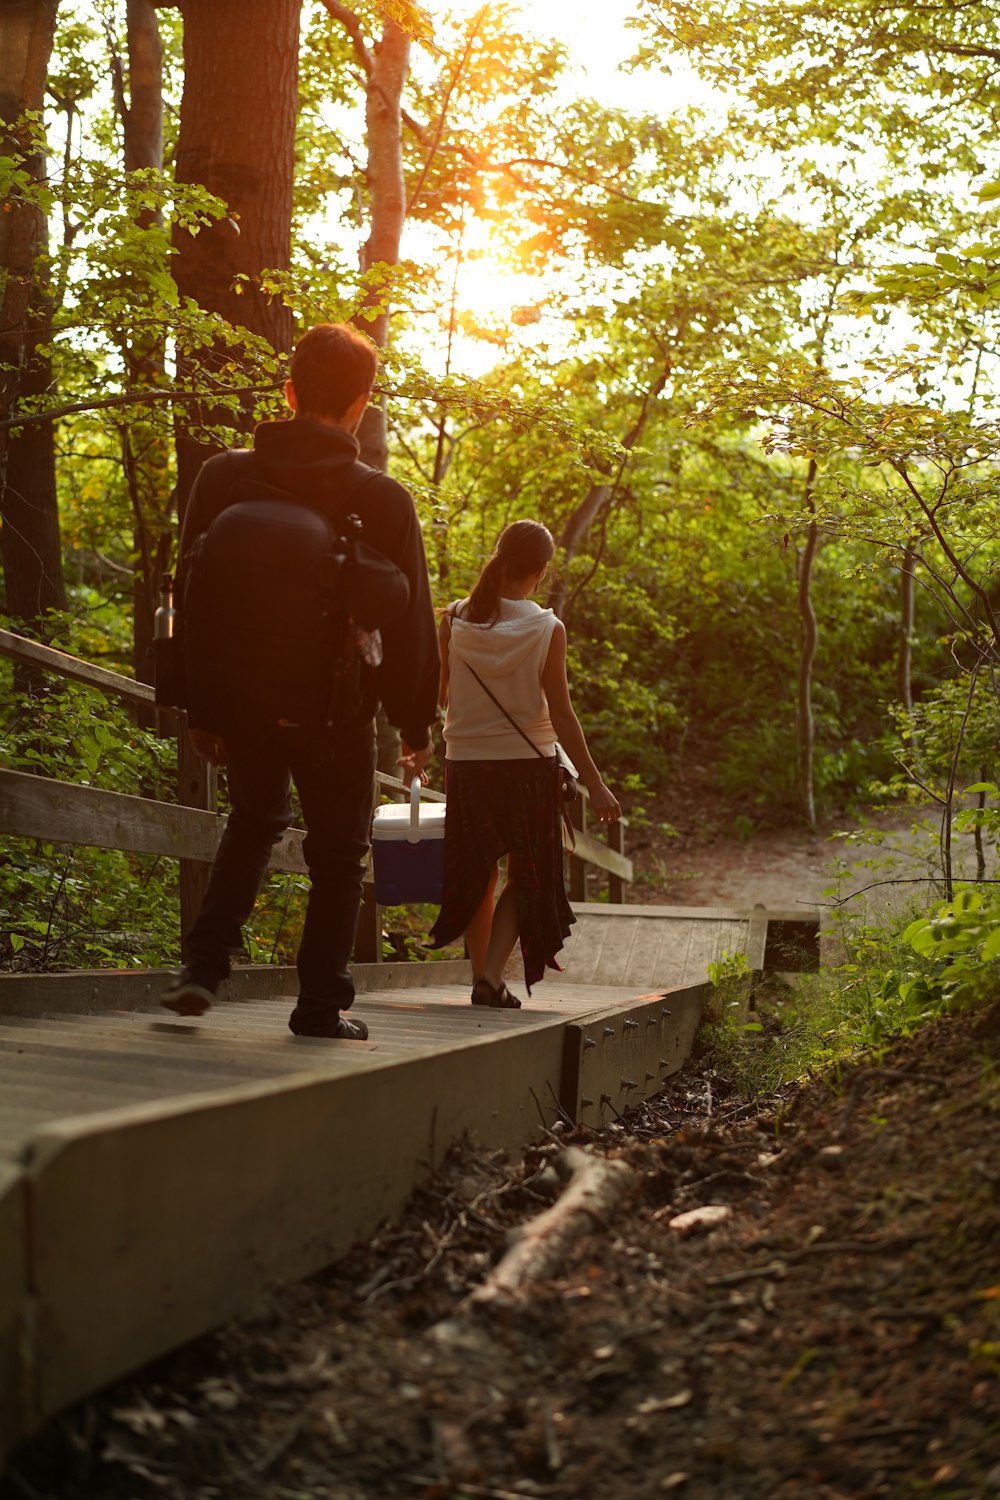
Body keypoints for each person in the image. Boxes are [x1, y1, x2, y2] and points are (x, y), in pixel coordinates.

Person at [160, 323, 438, 1038]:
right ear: (362, 404)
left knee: (252, 823)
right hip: (336, 711)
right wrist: (414, 724)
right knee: (339, 857)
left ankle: (201, 970)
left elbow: (186, 594)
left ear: (288, 391)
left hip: (244, 701)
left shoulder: (223, 476)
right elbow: (411, 629)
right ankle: (319, 1006)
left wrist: (199, 704)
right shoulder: (383, 499)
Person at [429, 520, 620, 1007]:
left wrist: (417, 746)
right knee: (525, 871)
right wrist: (595, 784)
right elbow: (561, 712)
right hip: (528, 767)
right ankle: (491, 977)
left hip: (467, 764)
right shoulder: (545, 628)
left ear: (498, 558)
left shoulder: (452, 620)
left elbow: (439, 694)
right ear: (540, 571)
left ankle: (482, 977)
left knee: (477, 871)